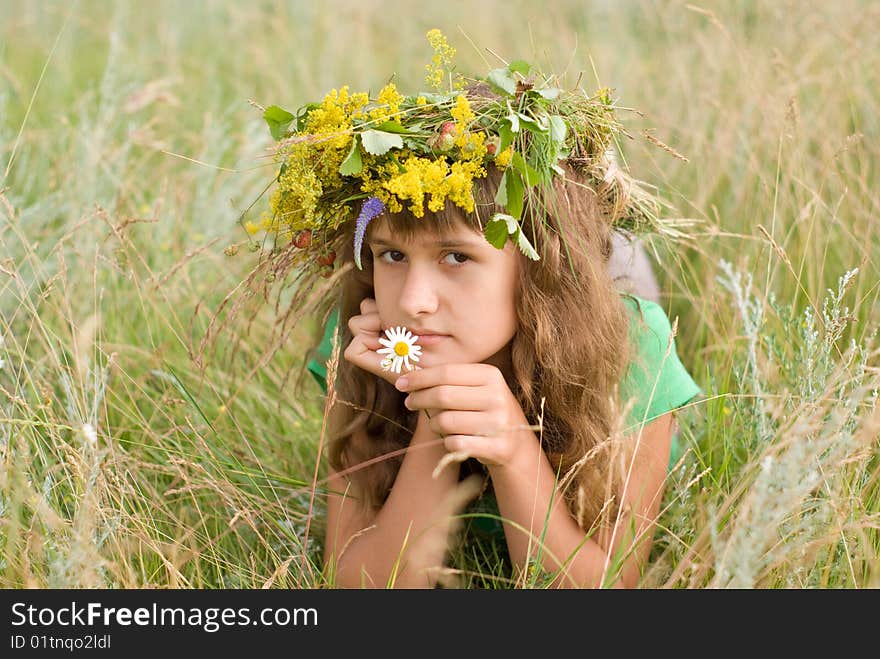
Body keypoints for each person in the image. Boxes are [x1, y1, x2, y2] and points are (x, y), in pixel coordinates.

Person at [255, 31, 703, 588]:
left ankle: (603, 254)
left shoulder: (634, 352)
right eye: (391, 254)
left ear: (536, 271)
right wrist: (435, 417)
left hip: (579, 305)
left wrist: (513, 448)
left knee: (617, 265)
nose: (414, 302)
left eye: (455, 257)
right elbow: (361, 587)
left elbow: (604, 588)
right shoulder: (364, 342)